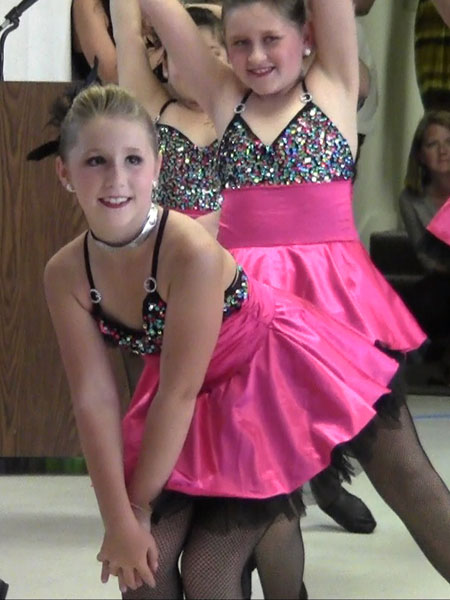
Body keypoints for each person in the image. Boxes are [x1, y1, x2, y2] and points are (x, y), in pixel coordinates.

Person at [42, 83, 414, 599]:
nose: (117, 179)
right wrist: (119, 520)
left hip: (262, 382)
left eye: (133, 160)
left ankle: (281, 554)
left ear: (157, 167)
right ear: (64, 172)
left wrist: (140, 508)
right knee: (144, 572)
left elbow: (177, 391)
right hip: (186, 400)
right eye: (95, 161)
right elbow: (94, 398)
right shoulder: (65, 273)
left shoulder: (187, 250)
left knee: (208, 571)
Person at [139, 0, 450, 583]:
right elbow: (164, 16)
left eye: (270, 39)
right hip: (245, 323)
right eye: (239, 43)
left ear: (307, 35)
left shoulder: (333, 84)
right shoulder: (223, 96)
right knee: (241, 519)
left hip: (337, 318)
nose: (255, 56)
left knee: (409, 480)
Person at [399, 111, 450, 377]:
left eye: (449, 142)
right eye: (433, 144)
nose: (443, 151)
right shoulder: (411, 199)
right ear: (420, 155)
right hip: (442, 276)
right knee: (419, 296)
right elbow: (426, 259)